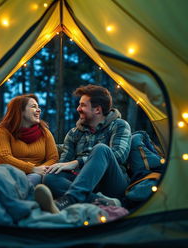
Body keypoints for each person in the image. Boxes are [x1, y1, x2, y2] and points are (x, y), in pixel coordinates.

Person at [35, 84, 131, 213]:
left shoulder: (119, 125)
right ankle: (103, 202)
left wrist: (77, 162)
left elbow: (119, 155)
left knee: (101, 149)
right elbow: (63, 163)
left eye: (83, 105)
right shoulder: (74, 133)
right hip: (83, 183)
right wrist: (56, 167)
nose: (78, 108)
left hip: (112, 182)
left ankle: (71, 199)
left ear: (97, 109)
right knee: (51, 177)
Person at [0, 94, 59, 186]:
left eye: (38, 107)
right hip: (3, 170)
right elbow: (4, 156)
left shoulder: (45, 132)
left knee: (34, 178)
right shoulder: (2, 131)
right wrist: (32, 168)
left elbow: (53, 158)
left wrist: (40, 169)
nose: (39, 110)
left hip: (34, 175)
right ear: (20, 111)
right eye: (33, 107)